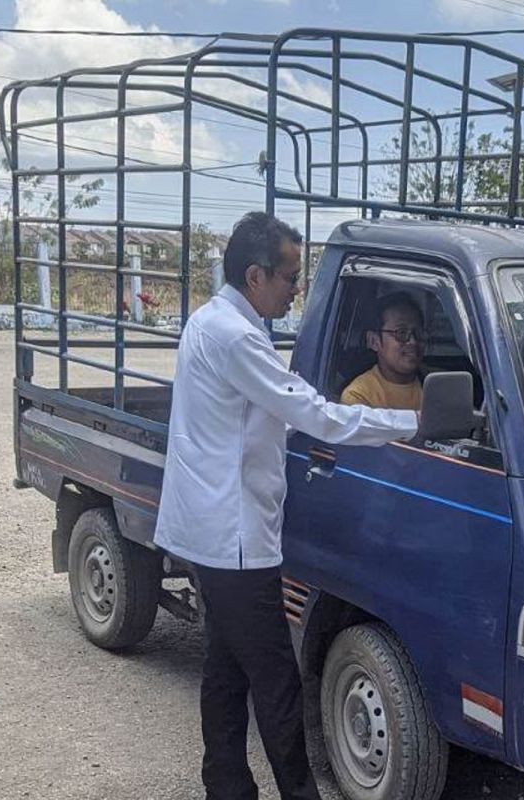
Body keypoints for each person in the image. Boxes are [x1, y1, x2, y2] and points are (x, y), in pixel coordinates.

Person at [154, 212, 418, 800]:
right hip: (233, 537)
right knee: (275, 680)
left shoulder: (212, 319)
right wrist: (410, 422)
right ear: (255, 276)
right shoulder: (235, 336)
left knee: (225, 668)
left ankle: (225, 784)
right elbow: (316, 414)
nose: (297, 288)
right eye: (290, 276)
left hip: (214, 528)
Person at [341, 291, 426, 410]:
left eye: (418, 333)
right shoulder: (358, 396)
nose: (413, 341)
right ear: (373, 341)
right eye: (401, 333)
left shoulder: (441, 384)